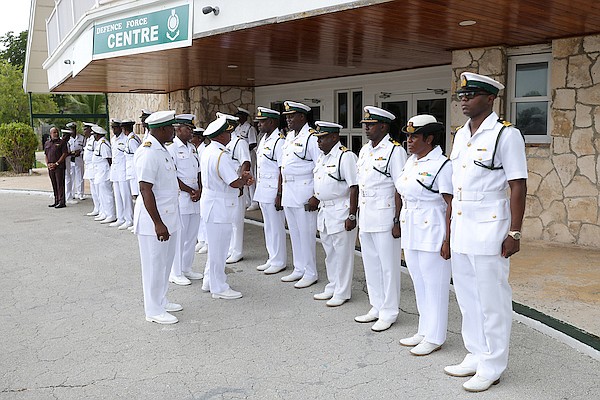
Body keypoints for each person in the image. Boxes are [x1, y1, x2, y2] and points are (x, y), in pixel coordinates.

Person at [444, 72, 527, 392]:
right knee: (467, 296)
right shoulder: (461, 135)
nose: (464, 99)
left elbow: (517, 185)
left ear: (491, 98)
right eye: (462, 95)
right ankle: (476, 353)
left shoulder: (506, 135)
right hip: (462, 225)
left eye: (472, 94)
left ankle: (493, 364)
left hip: (491, 225)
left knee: (492, 299)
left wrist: (515, 232)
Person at [394, 115, 453, 356]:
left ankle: (436, 336)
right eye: (407, 136)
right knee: (418, 281)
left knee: (435, 284)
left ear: (429, 138)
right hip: (412, 226)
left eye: (414, 136)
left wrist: (449, 239)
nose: (408, 140)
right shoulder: (411, 162)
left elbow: (450, 204)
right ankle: (424, 329)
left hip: (433, 228)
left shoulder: (443, 165)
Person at [354, 106, 407, 332]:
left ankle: (390, 311)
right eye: (365, 124)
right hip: (366, 214)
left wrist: (397, 220)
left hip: (386, 216)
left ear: (384, 126)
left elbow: (400, 188)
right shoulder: (365, 150)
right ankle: (376, 306)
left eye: (371, 124)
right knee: (371, 264)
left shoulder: (395, 151)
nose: (366, 127)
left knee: (389, 267)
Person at [133, 110, 183, 324]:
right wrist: (158, 223)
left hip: (169, 217)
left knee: (164, 263)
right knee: (154, 265)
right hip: (154, 222)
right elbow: (145, 189)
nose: (174, 131)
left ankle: (161, 300)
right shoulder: (149, 152)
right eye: (171, 128)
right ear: (161, 129)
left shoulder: (162, 149)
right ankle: (153, 310)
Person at [199, 116, 254, 299]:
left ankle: (209, 280)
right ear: (220, 135)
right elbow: (232, 182)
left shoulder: (208, 150)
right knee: (220, 249)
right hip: (220, 206)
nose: (231, 135)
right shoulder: (221, 155)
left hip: (211, 203)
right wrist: (244, 180)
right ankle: (219, 287)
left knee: (215, 247)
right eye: (228, 132)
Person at [309, 121, 358, 307]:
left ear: (334, 137)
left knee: (343, 254)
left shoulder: (346, 157)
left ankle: (342, 292)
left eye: (322, 138)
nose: (319, 142)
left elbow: (354, 187)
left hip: (341, 210)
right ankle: (333, 285)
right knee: (330, 252)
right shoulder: (323, 157)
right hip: (325, 210)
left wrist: (352, 215)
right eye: (318, 138)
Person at [278, 100, 320, 288]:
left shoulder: (311, 137)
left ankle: (311, 272)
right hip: (289, 190)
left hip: (304, 189)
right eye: (286, 116)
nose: (288, 119)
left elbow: (320, 167)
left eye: (291, 116)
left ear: (302, 117)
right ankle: (299, 268)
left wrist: (316, 194)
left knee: (306, 233)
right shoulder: (289, 137)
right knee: (294, 232)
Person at [166, 114, 203, 285]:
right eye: (188, 129)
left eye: (192, 129)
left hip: (194, 196)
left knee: (191, 235)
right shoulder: (172, 149)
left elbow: (198, 171)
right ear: (178, 129)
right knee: (180, 235)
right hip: (182, 197)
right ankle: (176, 271)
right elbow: (173, 175)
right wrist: (190, 191)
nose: (191, 132)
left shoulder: (192, 148)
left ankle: (187, 267)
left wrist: (200, 189)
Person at [253, 107, 287, 274]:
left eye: (262, 121)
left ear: (272, 122)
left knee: (276, 227)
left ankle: (279, 260)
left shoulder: (279, 141)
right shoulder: (265, 139)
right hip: (263, 189)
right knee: (268, 226)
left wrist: (280, 193)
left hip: (273, 190)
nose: (259, 124)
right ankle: (272, 257)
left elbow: (282, 169)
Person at [224, 112, 251, 264]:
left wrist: (242, 182)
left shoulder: (239, 142)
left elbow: (245, 163)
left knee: (236, 220)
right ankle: (230, 248)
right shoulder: (226, 143)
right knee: (229, 219)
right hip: (229, 186)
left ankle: (237, 251)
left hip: (237, 185)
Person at [233, 107, 259, 211]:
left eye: (239, 115)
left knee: (250, 176)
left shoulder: (250, 128)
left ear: (245, 116)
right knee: (242, 176)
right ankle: (247, 200)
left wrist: (242, 149)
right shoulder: (237, 128)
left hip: (249, 155)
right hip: (240, 156)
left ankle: (254, 202)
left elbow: (253, 143)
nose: (237, 117)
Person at [109, 119, 133, 229]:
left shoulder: (127, 139)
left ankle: (129, 219)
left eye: (116, 127)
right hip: (115, 171)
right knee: (117, 196)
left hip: (124, 171)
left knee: (125, 196)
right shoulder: (113, 140)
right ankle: (120, 218)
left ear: (121, 128)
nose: (114, 130)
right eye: (112, 128)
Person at [91, 125, 116, 224]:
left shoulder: (104, 144)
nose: (93, 136)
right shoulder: (99, 144)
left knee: (107, 195)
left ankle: (111, 214)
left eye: (94, 134)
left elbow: (109, 159)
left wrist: (110, 172)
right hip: (99, 172)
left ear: (98, 135)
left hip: (104, 173)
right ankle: (104, 213)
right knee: (101, 195)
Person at [44, 127, 68, 208]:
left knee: (60, 184)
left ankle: (62, 201)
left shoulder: (62, 142)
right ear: (50, 134)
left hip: (59, 167)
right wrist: (48, 164)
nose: (56, 134)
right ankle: (56, 200)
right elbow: (46, 155)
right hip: (51, 167)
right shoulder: (47, 143)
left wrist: (57, 163)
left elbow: (64, 154)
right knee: (54, 184)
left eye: (57, 132)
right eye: (54, 132)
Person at [82, 122, 100, 216]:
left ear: (91, 130)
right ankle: (96, 207)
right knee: (93, 189)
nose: (84, 131)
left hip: (94, 167)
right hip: (89, 167)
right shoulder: (88, 139)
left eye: (86, 129)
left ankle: (100, 208)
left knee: (97, 190)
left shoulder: (94, 140)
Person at [65, 122, 85, 203]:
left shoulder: (81, 138)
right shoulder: (67, 138)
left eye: (74, 129)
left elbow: (85, 148)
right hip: (70, 160)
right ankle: (72, 193)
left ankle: (80, 194)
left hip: (78, 159)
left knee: (80, 177)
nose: (72, 131)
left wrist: (80, 152)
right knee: (71, 177)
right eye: (71, 129)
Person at [123, 119, 141, 203]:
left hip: (134, 171)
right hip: (131, 170)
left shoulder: (132, 140)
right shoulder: (129, 138)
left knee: (136, 194)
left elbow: (138, 156)